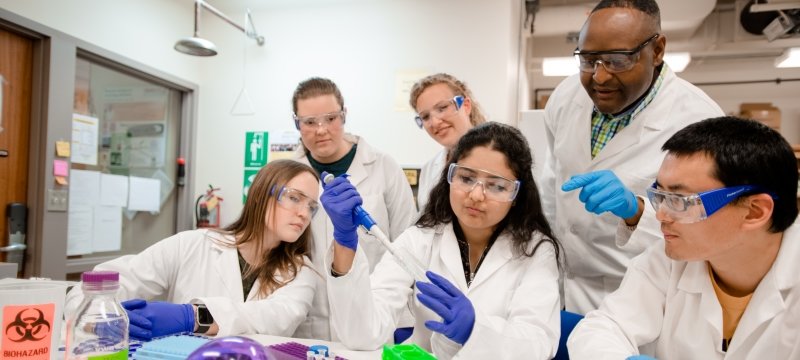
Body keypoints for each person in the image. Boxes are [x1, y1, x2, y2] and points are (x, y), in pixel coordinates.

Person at [539, 0, 724, 313]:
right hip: (559, 284)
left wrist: (637, 211)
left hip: (641, 294)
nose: (599, 77)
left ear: (658, 50)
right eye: (588, 60)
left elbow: (711, 227)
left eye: (617, 60)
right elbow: (551, 184)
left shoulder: (699, 120)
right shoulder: (566, 96)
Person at [323, 122, 562, 359]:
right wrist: (345, 240)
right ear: (450, 176)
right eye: (467, 178)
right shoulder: (420, 240)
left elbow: (539, 344)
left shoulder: (536, 251)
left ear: (517, 195)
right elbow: (363, 335)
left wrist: (475, 329)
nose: (476, 195)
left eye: (497, 186)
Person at [567, 117, 800, 359]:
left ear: (755, 211)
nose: (660, 214)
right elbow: (600, 330)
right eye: (661, 195)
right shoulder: (669, 260)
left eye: (679, 200)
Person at [64, 160, 320, 339]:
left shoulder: (300, 271)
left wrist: (190, 316)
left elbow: (276, 318)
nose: (303, 213)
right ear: (261, 194)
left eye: (311, 206)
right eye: (294, 198)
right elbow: (98, 287)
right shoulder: (193, 244)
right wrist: (100, 319)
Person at [289, 77, 416, 340]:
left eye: (331, 118)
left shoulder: (383, 167)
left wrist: (406, 314)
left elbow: (407, 241)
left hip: (374, 311)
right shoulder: (287, 174)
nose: (321, 129)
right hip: (307, 320)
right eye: (309, 122)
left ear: (344, 115)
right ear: (297, 124)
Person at [409, 73, 487, 212]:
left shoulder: (497, 157)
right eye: (425, 116)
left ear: (466, 106)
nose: (435, 122)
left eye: (442, 108)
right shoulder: (429, 168)